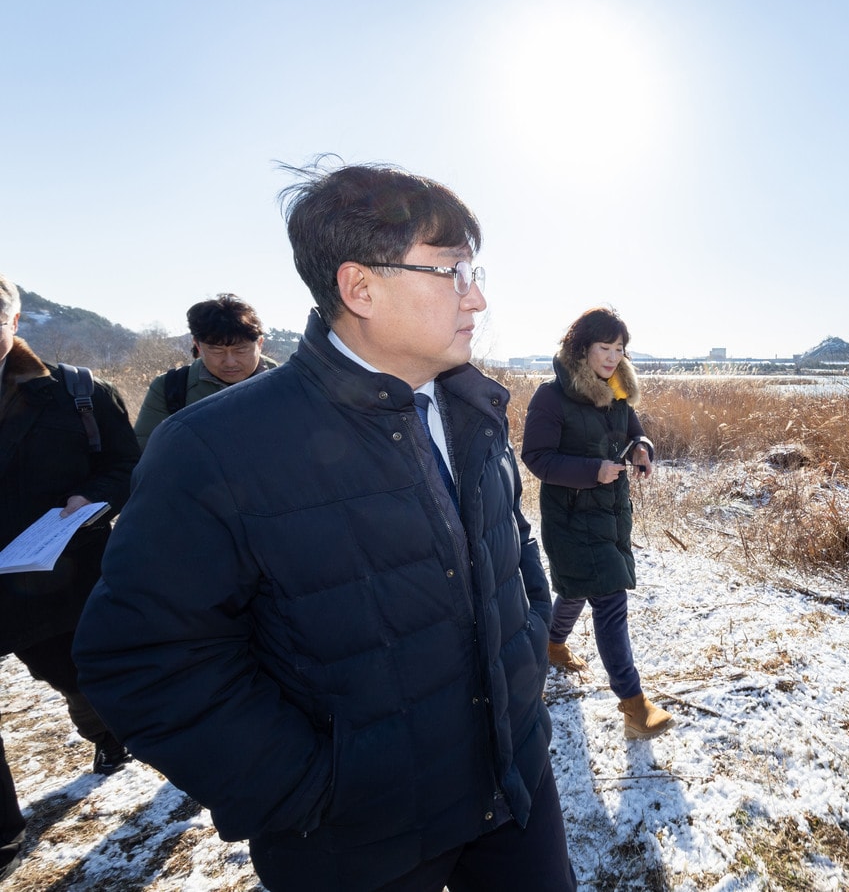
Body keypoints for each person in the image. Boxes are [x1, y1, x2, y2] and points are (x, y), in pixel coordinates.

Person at [73, 162, 574, 892]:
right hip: (356, 841)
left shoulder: (472, 407)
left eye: (475, 270)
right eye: (451, 272)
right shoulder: (216, 447)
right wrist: (313, 790)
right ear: (359, 287)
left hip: (514, 786)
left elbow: (513, 546)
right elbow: (143, 657)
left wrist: (525, 660)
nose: (479, 297)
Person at [0, 274, 139, 880]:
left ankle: (104, 729)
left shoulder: (78, 393)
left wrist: (93, 500)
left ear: (15, 320)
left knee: (71, 672)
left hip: (59, 576)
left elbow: (124, 465)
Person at [520, 307, 676, 740]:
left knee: (576, 587)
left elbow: (632, 430)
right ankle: (634, 707)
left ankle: (551, 645)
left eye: (619, 349)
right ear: (581, 347)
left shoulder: (619, 389)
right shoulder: (551, 397)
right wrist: (593, 470)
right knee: (608, 601)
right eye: (604, 348)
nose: (612, 358)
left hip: (610, 512)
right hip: (571, 515)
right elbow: (536, 458)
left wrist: (641, 448)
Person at [133, 293, 277, 449]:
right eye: (216, 351)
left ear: (260, 343)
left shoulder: (287, 384)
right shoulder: (170, 387)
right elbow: (146, 453)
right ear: (198, 345)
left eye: (240, 350)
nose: (229, 362)